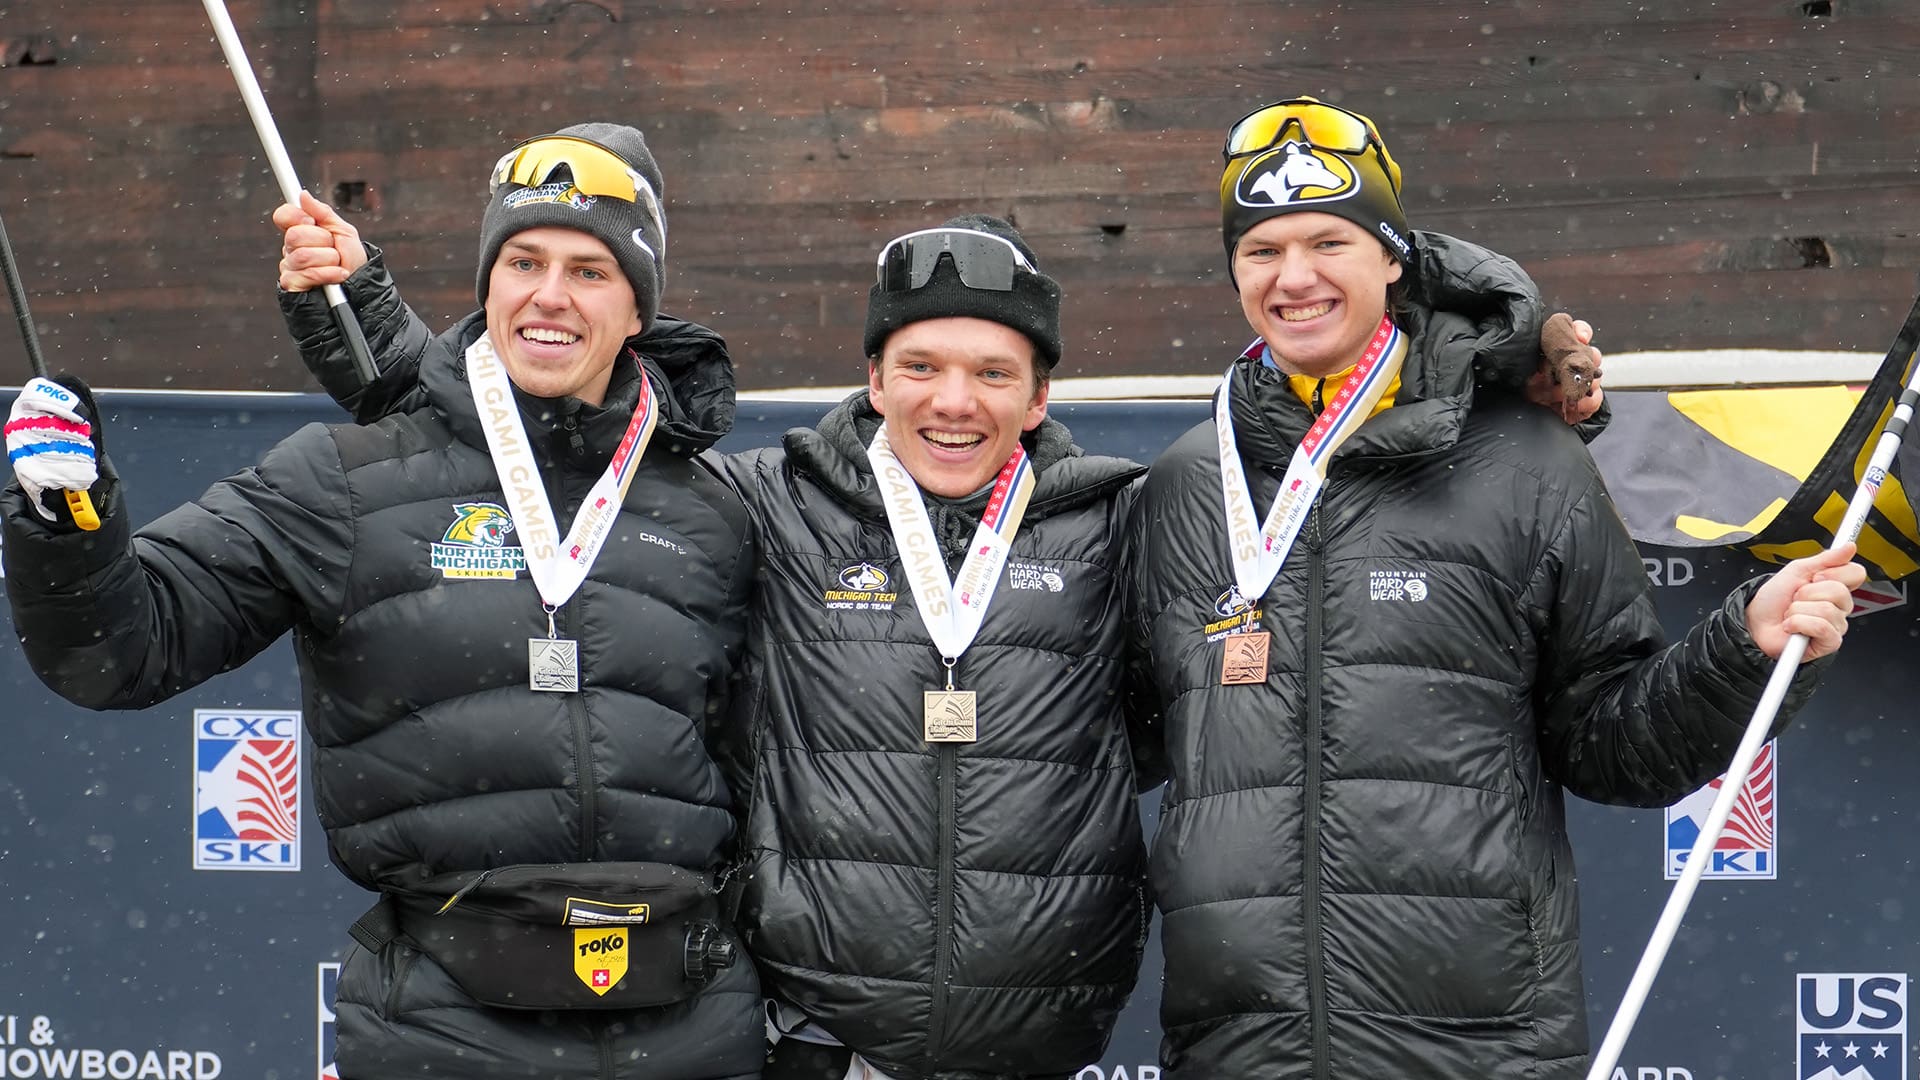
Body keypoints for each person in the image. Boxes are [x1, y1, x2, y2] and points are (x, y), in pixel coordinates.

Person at [271, 171, 1619, 1078]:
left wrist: (1489, 366)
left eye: (992, 370)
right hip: (814, 1048)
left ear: (1040, 396)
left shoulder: (1124, 522)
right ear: (871, 380)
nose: (952, 400)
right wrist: (373, 338)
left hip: (1039, 1050)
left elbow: (1318, 528)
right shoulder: (765, 507)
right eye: (919, 364)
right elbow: (549, 440)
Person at [2, 123, 765, 1079]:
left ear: (639, 308)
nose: (550, 296)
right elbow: (121, 648)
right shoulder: (344, 484)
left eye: (591, 270)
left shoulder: (719, 509)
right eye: (523, 260)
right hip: (440, 1028)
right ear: (487, 283)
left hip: (693, 1026)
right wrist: (65, 519)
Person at [1124, 96, 1866, 1079]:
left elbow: (1612, 743)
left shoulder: (1525, 462)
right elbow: (1108, 739)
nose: (1293, 277)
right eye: (1260, 252)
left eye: (1328, 242)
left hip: (1475, 1044)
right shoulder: (1185, 482)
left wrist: (1745, 653)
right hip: (1237, 1047)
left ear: (1393, 257)